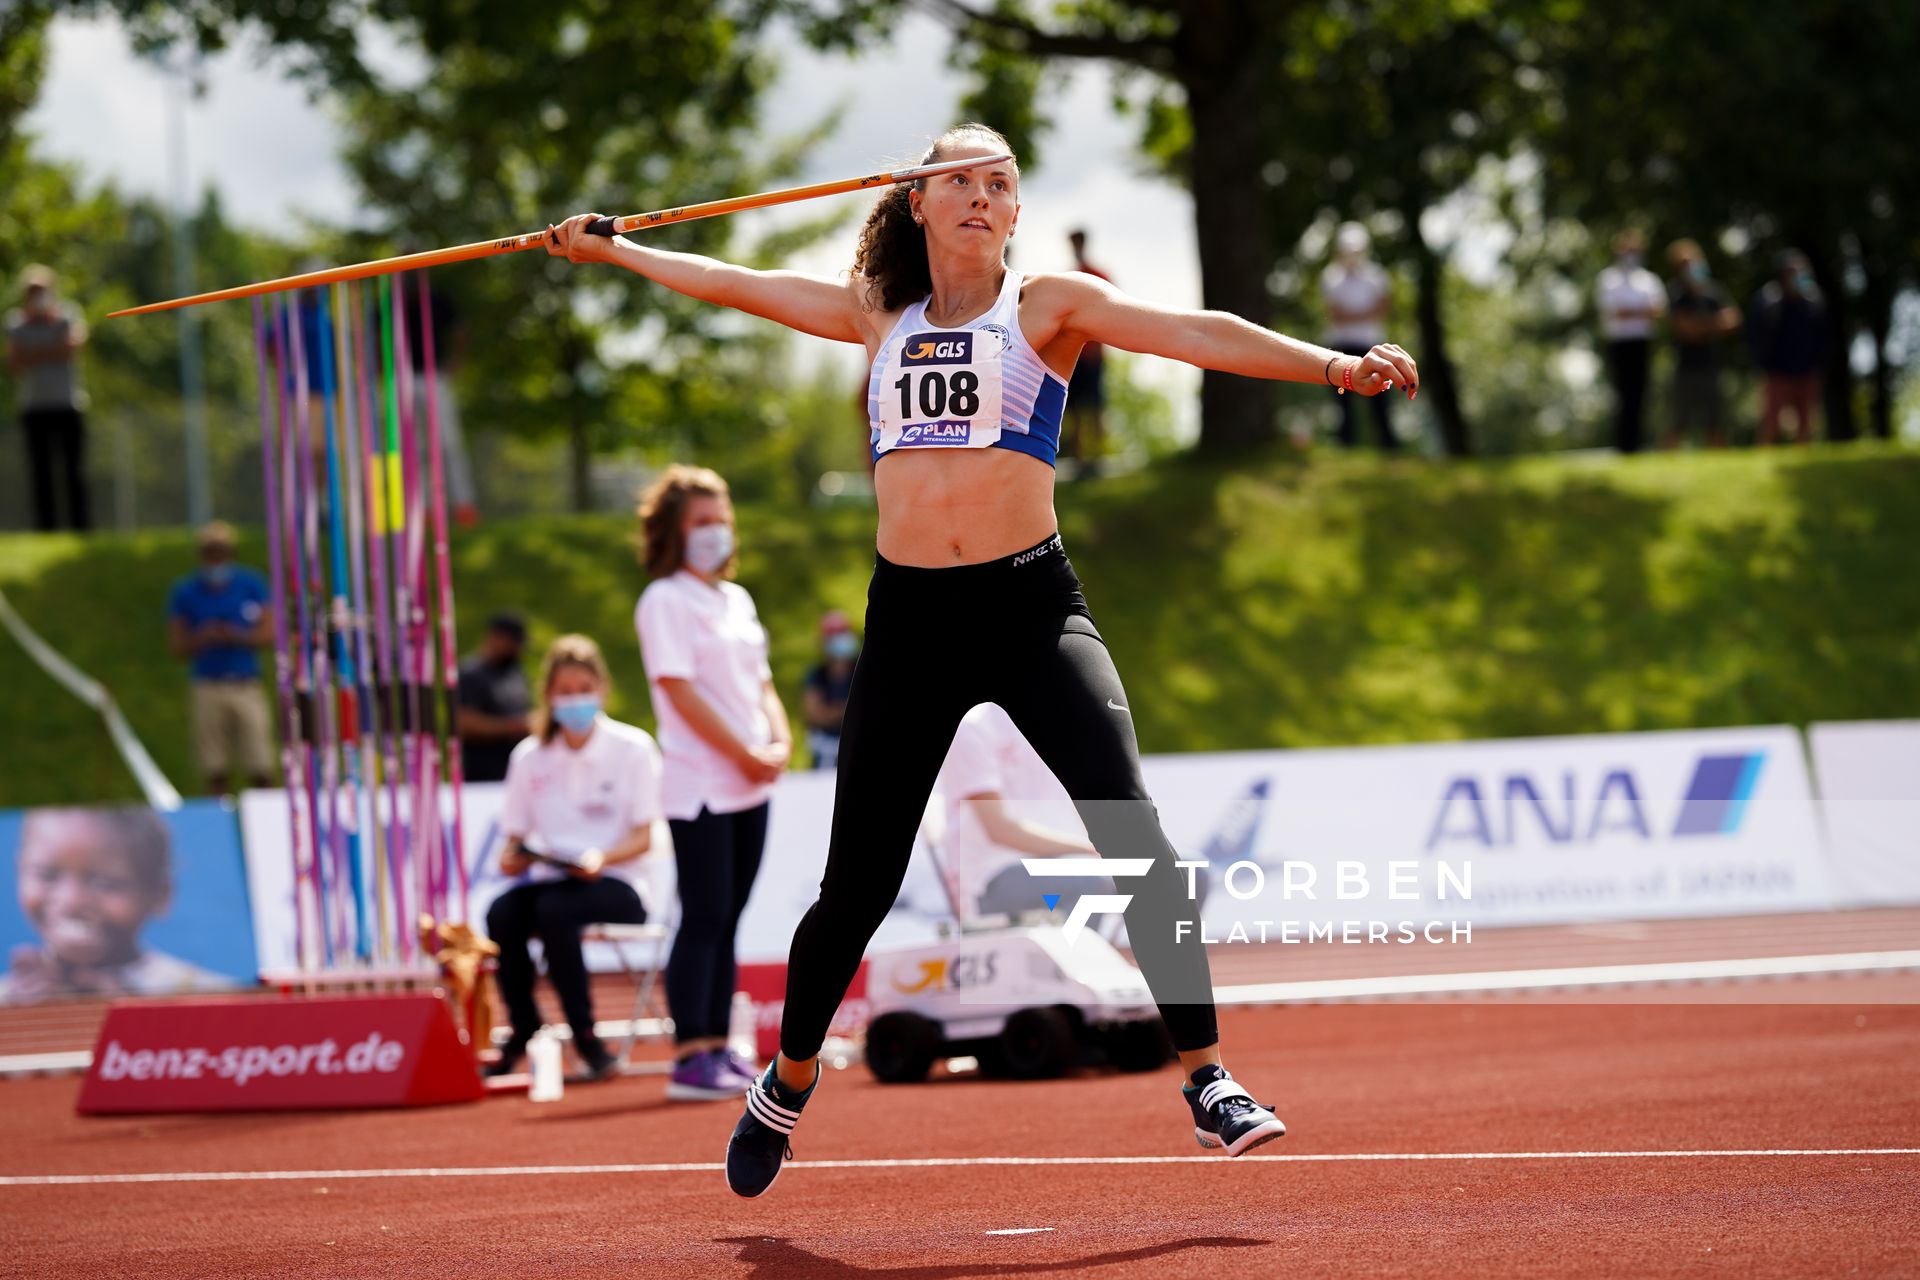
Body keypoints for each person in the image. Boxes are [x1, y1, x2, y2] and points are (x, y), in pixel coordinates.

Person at [547, 121, 1417, 1196]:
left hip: (1030, 606)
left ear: (1013, 212)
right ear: (917, 200)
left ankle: (1209, 1077)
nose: (978, 194)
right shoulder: (880, 314)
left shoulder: (1046, 305)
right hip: (912, 623)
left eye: (997, 182)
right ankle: (787, 1077)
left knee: (1130, 823)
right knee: (854, 887)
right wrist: (615, 249)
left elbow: (1192, 331)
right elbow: (737, 283)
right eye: (957, 178)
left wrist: (1331, 364)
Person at [635, 465, 791, 1101]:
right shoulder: (664, 600)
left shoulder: (737, 600)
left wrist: (776, 742)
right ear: (674, 531)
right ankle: (689, 1054)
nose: (715, 533)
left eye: (720, 519)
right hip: (701, 781)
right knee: (702, 914)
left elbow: (761, 684)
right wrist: (743, 750)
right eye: (701, 522)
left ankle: (720, 1047)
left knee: (729, 916)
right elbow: (677, 689)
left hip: (750, 785)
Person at [488, 634, 661, 1081]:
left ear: (601, 688)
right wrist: (514, 859)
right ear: (548, 696)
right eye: (564, 692)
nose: (574, 700)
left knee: (554, 911)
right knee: (503, 912)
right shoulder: (529, 757)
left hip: (622, 883)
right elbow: (514, 839)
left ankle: (585, 1034)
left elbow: (646, 837)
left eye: (583, 688)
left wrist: (600, 858)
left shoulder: (633, 747)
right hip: (554, 878)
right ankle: (523, 1022)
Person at [0, 807, 234, 1003]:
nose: (72, 902)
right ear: (19, 871)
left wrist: (134, 1014)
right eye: (47, 875)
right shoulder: (9, 996)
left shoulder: (208, 993)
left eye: (104, 884)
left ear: (159, 894)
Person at [929, 702, 1106, 923]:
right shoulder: (972, 728)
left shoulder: (1058, 726)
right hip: (989, 881)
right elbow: (999, 830)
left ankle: (1116, 955)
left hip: (1053, 865)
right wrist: (1089, 849)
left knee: (1141, 877)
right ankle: (1078, 956)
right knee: (1093, 883)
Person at [167, 521, 273, 795]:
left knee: (260, 763)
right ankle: (222, 824)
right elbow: (178, 646)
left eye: (220, 551)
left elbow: (267, 634)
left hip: (246, 684)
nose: (215, 558)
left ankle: (266, 823)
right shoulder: (186, 591)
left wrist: (234, 635)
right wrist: (203, 637)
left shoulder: (250, 584)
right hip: (207, 686)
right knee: (214, 767)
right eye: (209, 551)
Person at [6, 265, 91, 531]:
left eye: (42, 290)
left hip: (68, 404)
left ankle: (81, 528)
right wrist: (51, 348)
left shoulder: (68, 314)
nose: (38, 295)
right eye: (33, 291)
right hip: (34, 408)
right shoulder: (15, 322)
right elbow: (15, 362)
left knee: (74, 472)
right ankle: (46, 529)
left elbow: (72, 348)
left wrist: (36, 351)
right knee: (40, 474)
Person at [1320, 222, 1397, 451]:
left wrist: (1352, 315)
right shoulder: (1331, 277)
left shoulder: (1377, 276)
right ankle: (1346, 445)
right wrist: (1366, 313)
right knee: (1343, 399)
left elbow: (1383, 309)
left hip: (1371, 345)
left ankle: (1388, 446)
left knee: (1380, 399)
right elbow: (1335, 315)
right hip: (1341, 346)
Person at [1663, 240, 1742, 450]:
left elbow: (1734, 320)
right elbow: (1685, 330)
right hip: (1685, 367)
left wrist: (1700, 325)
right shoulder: (1674, 293)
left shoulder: (1714, 290)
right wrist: (1715, 324)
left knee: (1716, 421)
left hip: (1712, 364)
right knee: (1678, 421)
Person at [1595, 231, 1667, 454]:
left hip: (1641, 342)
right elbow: (1614, 313)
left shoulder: (1648, 279)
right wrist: (1642, 312)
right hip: (1619, 343)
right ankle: (1623, 445)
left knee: (1641, 393)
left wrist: (1631, 312)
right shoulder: (1608, 279)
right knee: (1622, 394)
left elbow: (1659, 310)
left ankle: (1637, 444)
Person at [1747, 249, 1828, 446]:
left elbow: (1824, 335)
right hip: (1776, 371)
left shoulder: (1814, 300)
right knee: (1770, 425)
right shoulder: (1768, 299)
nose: (1799, 275)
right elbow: (1755, 335)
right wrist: (1762, 364)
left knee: (1806, 427)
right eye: (1793, 271)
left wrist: (1819, 364)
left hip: (1807, 371)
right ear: (1782, 274)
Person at [455, 612, 534, 784]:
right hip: (483, 776)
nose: (517, 649)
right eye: (513, 643)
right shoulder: (471, 673)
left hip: (517, 772)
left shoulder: (515, 671)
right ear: (496, 637)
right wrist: (510, 727)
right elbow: (463, 722)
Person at [1061, 229, 1112, 471]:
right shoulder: (1069, 278)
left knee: (1096, 407)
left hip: (1093, 354)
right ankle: (1081, 461)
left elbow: (1111, 314)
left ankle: (1099, 458)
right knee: (1074, 410)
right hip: (1074, 355)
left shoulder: (1097, 276)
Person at [801, 610, 859, 769]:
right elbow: (815, 715)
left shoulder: (860, 671)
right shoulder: (817, 675)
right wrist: (849, 708)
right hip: (825, 751)